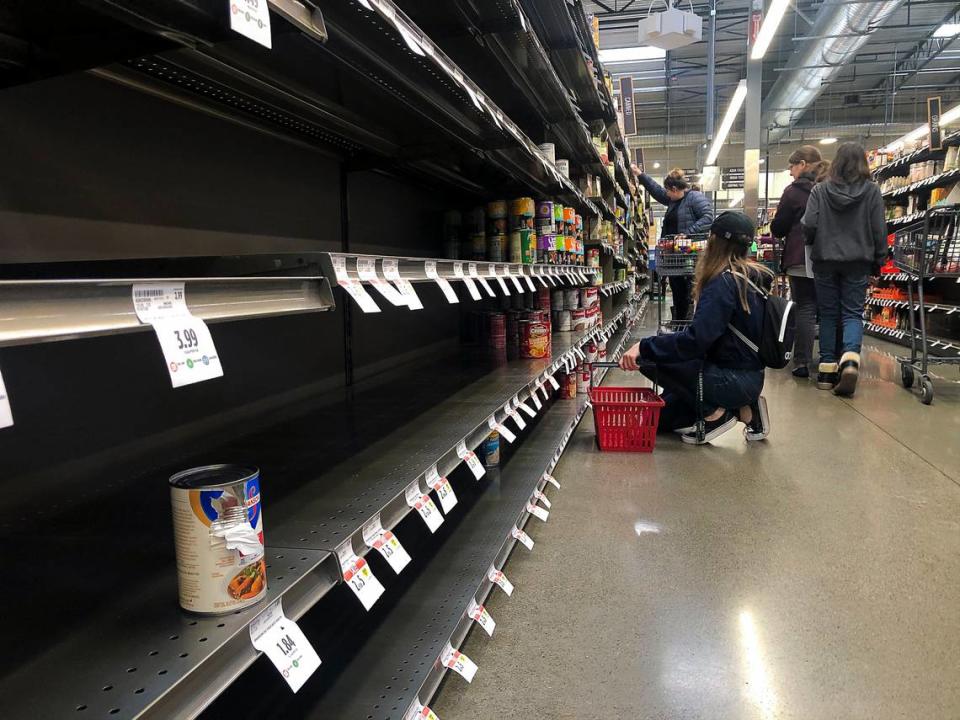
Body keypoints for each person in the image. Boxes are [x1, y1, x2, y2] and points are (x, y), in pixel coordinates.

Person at [619, 211, 773, 445]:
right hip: (746, 376)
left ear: (714, 241)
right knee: (660, 420)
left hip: (729, 379)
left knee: (648, 358)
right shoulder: (750, 279)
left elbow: (695, 341)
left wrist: (644, 345)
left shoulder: (723, 283)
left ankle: (715, 415)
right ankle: (746, 409)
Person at [801, 142, 886, 396]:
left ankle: (827, 371)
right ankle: (849, 360)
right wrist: (879, 258)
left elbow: (809, 223)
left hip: (826, 259)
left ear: (836, 163)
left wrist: (813, 240)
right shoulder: (872, 192)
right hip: (858, 260)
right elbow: (879, 228)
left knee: (828, 314)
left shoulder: (820, 190)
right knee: (852, 313)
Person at [770, 145, 821, 378]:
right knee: (830, 309)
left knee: (805, 307)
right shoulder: (830, 187)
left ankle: (801, 362)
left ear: (802, 164)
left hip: (801, 255)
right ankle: (832, 360)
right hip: (829, 256)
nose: (790, 172)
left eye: (791, 166)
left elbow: (778, 227)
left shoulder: (794, 191)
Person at [638, 168, 713, 324]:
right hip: (675, 256)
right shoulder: (674, 200)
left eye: (668, 191)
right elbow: (657, 191)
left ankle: (688, 323)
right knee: (677, 288)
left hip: (690, 255)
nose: (666, 195)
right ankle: (678, 321)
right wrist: (640, 175)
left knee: (689, 290)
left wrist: (687, 233)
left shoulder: (694, 198)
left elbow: (708, 218)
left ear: (674, 189)